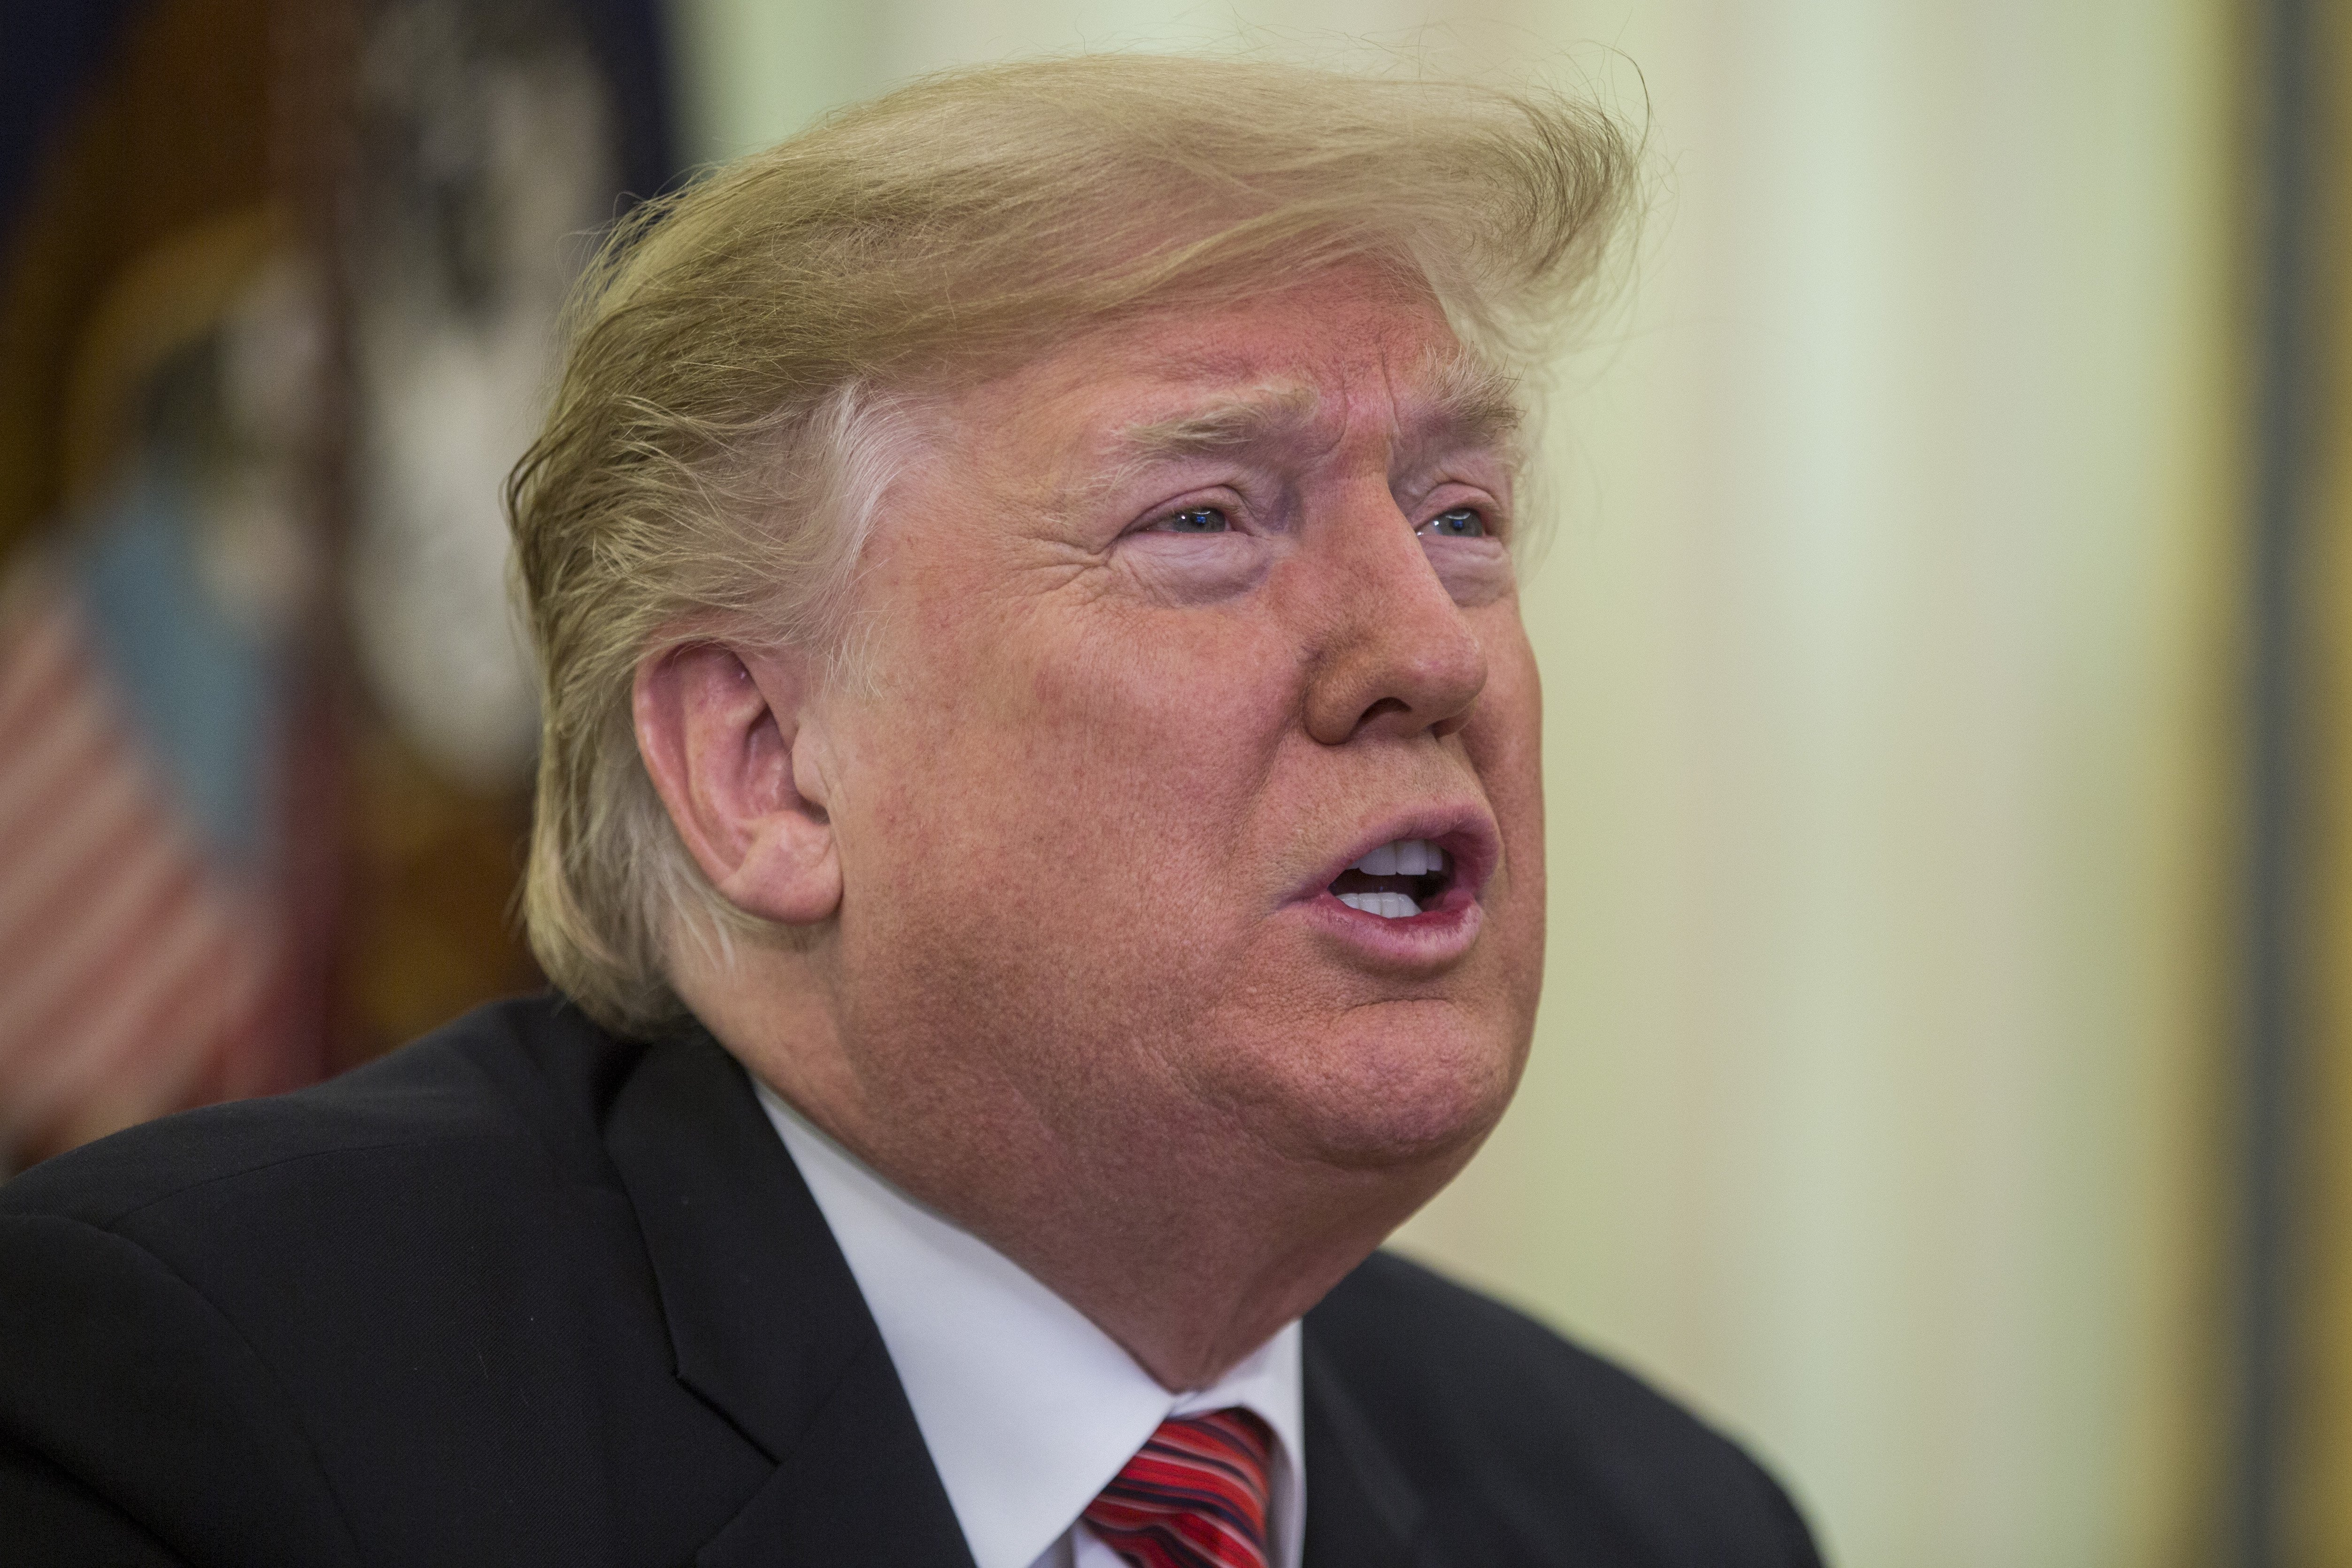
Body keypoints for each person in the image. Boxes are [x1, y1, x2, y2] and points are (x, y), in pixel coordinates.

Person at [0, 54, 1823, 1568]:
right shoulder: (210, 1412)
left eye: (1459, 515)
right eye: (1202, 519)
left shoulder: (1665, 1523)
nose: (1426, 647)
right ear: (765, 767)